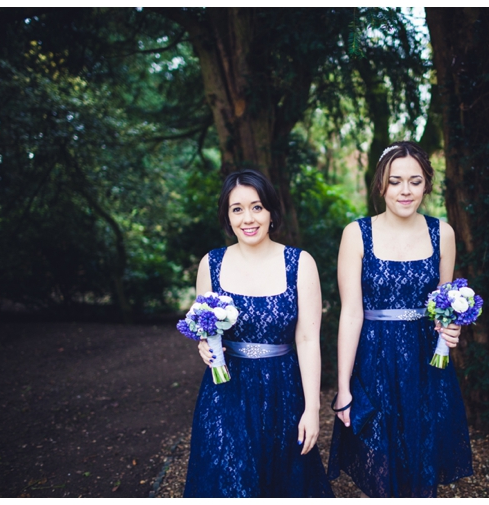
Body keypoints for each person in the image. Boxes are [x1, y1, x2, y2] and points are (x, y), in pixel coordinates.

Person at [327, 141, 473, 497]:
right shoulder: (356, 234)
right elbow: (350, 313)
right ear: (381, 185)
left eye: (415, 181)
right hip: (374, 362)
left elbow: (445, 305)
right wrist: (343, 387)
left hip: (425, 365)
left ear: (427, 184)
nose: (405, 191)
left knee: (422, 459)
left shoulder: (444, 234)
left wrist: (450, 329)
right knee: (381, 469)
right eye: (395, 181)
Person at [183, 169, 333, 498]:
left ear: (271, 212)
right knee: (229, 483)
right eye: (237, 209)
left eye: (257, 207)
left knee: (283, 483)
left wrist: (312, 409)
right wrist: (203, 345)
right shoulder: (212, 264)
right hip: (225, 395)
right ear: (227, 215)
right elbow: (204, 327)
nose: (248, 218)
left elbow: (308, 341)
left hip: (283, 393)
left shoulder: (300, 263)